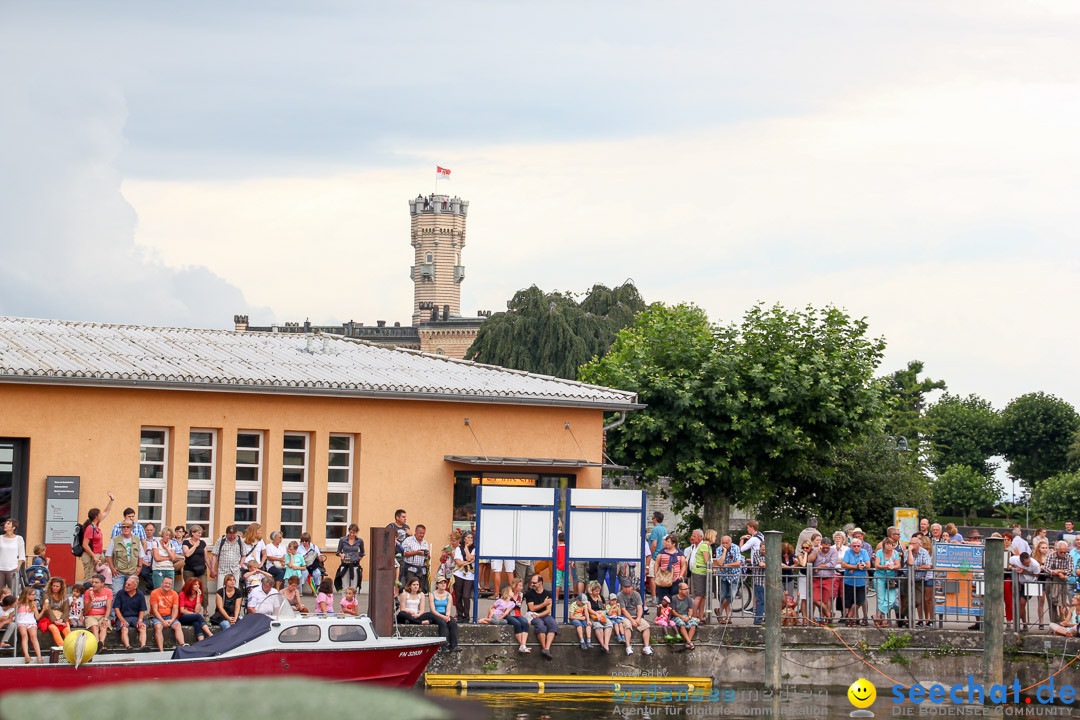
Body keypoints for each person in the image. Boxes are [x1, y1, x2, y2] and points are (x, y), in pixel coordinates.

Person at [79, 492, 115, 582]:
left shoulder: (96, 525)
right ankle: (87, 594)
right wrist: (94, 557)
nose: (101, 515)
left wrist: (111, 500)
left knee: (97, 575)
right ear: (96, 516)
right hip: (91, 555)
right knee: (90, 577)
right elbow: (85, 545)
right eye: (99, 514)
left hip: (98, 554)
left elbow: (106, 512)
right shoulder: (90, 528)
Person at [106, 519, 144, 595]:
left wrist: (139, 567)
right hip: (118, 572)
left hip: (133, 571)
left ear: (131, 528)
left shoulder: (137, 540)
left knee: (132, 593)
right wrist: (112, 568)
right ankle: (115, 607)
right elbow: (108, 555)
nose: (126, 529)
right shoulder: (114, 540)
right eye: (124, 527)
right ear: (121, 528)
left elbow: (141, 555)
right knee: (116, 593)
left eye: (128, 527)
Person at [618, 577, 653, 655]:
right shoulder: (620, 595)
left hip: (636, 615)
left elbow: (640, 607)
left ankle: (646, 646)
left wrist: (639, 618)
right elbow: (623, 610)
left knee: (646, 626)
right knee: (627, 626)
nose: (627, 589)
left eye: (628, 587)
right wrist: (632, 620)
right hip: (625, 616)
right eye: (625, 587)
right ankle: (628, 646)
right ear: (622, 587)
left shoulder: (636, 594)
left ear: (632, 587)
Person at [525, 575, 558, 659]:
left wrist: (539, 615)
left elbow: (548, 610)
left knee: (553, 624)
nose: (532, 584)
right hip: (532, 615)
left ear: (540, 583)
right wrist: (544, 604)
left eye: (534, 583)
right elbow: (531, 608)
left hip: (543, 614)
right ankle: (544, 647)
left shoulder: (548, 594)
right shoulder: (529, 593)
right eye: (531, 582)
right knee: (540, 625)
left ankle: (547, 648)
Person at [841, 538, 871, 626]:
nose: (856, 548)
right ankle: (851, 619)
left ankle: (849, 616)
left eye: (858, 546)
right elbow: (843, 564)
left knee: (859, 601)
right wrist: (855, 567)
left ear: (861, 546)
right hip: (849, 581)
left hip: (861, 582)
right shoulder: (848, 552)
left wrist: (853, 567)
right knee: (849, 602)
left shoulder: (864, 552)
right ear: (851, 546)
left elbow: (868, 565)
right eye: (854, 546)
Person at [149, 575, 185, 650]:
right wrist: (163, 621)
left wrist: (171, 620)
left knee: (178, 625)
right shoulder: (154, 593)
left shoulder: (174, 593)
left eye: (169, 584)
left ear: (172, 585)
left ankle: (182, 645)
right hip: (157, 617)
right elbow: (155, 611)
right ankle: (161, 650)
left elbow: (175, 610)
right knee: (158, 627)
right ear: (161, 583)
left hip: (169, 616)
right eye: (165, 583)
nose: (167, 585)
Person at [1044, 541, 1074, 627]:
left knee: (1063, 603)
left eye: (1065, 552)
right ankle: (1053, 624)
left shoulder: (1069, 557)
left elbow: (1070, 570)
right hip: (1051, 580)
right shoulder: (1051, 556)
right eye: (1061, 552)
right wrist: (1056, 572)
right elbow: (1046, 568)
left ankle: (1063, 623)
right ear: (1057, 550)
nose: (1063, 553)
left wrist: (1059, 571)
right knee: (1051, 604)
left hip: (1063, 581)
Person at [873, 537, 902, 626]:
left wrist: (893, 567)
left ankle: (877, 615)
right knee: (881, 599)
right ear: (884, 545)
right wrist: (885, 567)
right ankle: (882, 620)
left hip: (890, 578)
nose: (889, 546)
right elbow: (877, 565)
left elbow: (898, 565)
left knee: (890, 599)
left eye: (890, 544)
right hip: (880, 576)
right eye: (887, 544)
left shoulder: (895, 553)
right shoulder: (879, 552)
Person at [426, 576, 460, 651]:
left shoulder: (448, 595)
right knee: (442, 623)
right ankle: (443, 646)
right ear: (437, 585)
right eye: (441, 583)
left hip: (444, 613)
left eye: (444, 583)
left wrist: (447, 616)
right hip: (434, 614)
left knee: (453, 623)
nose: (443, 585)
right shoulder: (432, 595)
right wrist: (443, 617)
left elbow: (448, 608)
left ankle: (454, 645)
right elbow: (433, 610)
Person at [113, 575, 147, 650]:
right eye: (126, 584)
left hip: (135, 617)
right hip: (123, 617)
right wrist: (122, 620)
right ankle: (128, 646)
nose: (126, 586)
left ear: (135, 586)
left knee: (142, 627)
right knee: (124, 628)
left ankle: (143, 646)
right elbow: (116, 608)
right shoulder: (120, 593)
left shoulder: (140, 594)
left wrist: (140, 620)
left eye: (129, 585)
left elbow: (142, 609)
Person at [809, 533, 836, 623]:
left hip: (827, 578)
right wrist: (817, 551)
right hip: (816, 578)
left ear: (830, 546)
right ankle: (829, 614)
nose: (825, 549)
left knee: (825, 600)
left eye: (827, 548)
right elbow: (809, 560)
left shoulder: (833, 551)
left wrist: (820, 566)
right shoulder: (816, 550)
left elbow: (832, 564)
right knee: (815, 599)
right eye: (823, 547)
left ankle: (823, 619)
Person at [907, 535, 934, 627]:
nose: (911, 545)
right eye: (911, 543)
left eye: (914, 543)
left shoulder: (925, 552)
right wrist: (910, 551)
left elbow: (928, 565)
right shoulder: (908, 552)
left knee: (928, 599)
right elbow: (909, 564)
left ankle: (930, 619)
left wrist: (917, 568)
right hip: (915, 579)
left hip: (927, 577)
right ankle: (920, 619)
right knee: (918, 600)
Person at [714, 534, 741, 624]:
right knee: (723, 596)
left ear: (730, 542)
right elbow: (719, 562)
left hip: (734, 575)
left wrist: (725, 565)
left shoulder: (735, 548)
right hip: (723, 576)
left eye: (726, 543)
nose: (725, 544)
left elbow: (738, 562)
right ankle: (728, 617)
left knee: (731, 596)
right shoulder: (719, 549)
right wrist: (724, 552)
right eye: (723, 543)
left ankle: (719, 611)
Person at [1010, 551, 1041, 628]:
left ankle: (1018, 623)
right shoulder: (1014, 559)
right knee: (1018, 604)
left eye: (1029, 562)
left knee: (1022, 602)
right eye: (1026, 564)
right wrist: (1013, 567)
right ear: (1021, 561)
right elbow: (1008, 562)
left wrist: (1025, 571)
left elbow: (1037, 574)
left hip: (1030, 582)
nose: (1028, 564)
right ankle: (1024, 623)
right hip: (1020, 582)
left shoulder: (1035, 564)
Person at [210, 525, 245, 592]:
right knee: (220, 590)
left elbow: (243, 555)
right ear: (227, 534)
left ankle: (233, 602)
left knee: (234, 590)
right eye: (230, 535)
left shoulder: (240, 541)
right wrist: (212, 569)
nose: (232, 537)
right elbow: (215, 555)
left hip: (235, 570)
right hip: (222, 570)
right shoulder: (220, 540)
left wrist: (239, 566)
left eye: (234, 535)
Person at [652, 534, 685, 605]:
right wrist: (656, 574)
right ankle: (662, 613)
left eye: (668, 541)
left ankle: (673, 613)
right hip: (663, 578)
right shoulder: (661, 553)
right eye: (666, 541)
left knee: (674, 597)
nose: (666, 543)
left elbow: (683, 566)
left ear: (674, 544)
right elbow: (657, 563)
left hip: (676, 578)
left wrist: (681, 575)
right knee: (662, 597)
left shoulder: (680, 554)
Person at [182, 525, 210, 609]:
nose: (200, 535)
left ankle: (205, 610)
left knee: (204, 589)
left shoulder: (203, 543)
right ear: (193, 533)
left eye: (201, 533)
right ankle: (189, 608)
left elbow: (206, 557)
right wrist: (195, 546)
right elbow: (187, 554)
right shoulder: (186, 543)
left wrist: (212, 569)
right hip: (189, 570)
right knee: (189, 589)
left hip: (201, 569)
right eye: (198, 533)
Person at [38, 577, 70, 646]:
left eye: (57, 586)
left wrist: (61, 620)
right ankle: (62, 648)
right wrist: (55, 620)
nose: (55, 588)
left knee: (67, 630)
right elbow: (48, 610)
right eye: (53, 586)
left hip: (61, 618)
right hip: (49, 618)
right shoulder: (47, 595)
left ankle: (71, 647)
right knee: (54, 629)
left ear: (61, 587)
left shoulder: (64, 597)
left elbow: (66, 610)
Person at [83, 573, 113, 647]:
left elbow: (109, 607)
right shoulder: (88, 592)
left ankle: (101, 643)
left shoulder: (108, 591)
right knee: (94, 626)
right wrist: (90, 599)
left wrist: (105, 619)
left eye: (96, 582)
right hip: (91, 615)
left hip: (103, 615)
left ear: (102, 584)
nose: (93, 584)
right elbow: (86, 611)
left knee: (104, 626)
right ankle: (97, 644)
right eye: (92, 582)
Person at [15, 587, 43, 663]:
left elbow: (37, 617)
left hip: (31, 622)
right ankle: (27, 655)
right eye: (33, 594)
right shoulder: (18, 603)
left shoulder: (34, 603)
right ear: (27, 595)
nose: (34, 596)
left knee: (34, 637)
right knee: (24, 636)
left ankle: (39, 657)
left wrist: (43, 610)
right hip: (21, 622)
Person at [453, 531, 476, 621]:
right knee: (458, 595)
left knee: (466, 595)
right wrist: (467, 562)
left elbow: (470, 558)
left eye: (471, 538)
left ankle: (466, 616)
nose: (470, 539)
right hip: (459, 574)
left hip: (469, 575)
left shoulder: (474, 549)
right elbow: (458, 563)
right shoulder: (459, 548)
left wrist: (466, 547)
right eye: (468, 537)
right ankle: (460, 614)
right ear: (464, 539)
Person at [504, 577, 531, 653]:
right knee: (517, 624)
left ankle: (523, 645)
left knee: (525, 623)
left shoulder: (521, 595)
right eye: (520, 586)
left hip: (517, 613)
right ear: (515, 585)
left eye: (521, 586)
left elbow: (519, 607)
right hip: (508, 614)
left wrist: (522, 617)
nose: (521, 588)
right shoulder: (508, 592)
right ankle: (522, 644)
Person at [0, 517, 26, 594]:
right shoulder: (0, 538)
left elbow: (22, 555)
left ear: (13, 527)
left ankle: (13, 605)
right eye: (5, 523)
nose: (5, 525)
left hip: (12, 568)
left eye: (8, 524)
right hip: (0, 568)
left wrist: (17, 567)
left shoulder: (18, 539)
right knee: (1, 592)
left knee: (14, 591)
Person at [335, 524, 364, 591]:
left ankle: (354, 601)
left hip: (354, 564)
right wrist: (341, 555)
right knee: (345, 586)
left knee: (354, 587)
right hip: (345, 563)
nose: (352, 535)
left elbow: (362, 552)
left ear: (356, 533)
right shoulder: (343, 540)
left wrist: (358, 559)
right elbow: (338, 551)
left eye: (354, 533)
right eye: (350, 532)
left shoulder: (359, 541)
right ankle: (344, 601)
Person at [586, 581, 614, 653]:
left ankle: (606, 644)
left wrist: (601, 613)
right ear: (591, 590)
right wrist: (596, 614)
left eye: (599, 591)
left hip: (602, 615)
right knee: (598, 626)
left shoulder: (600, 597)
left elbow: (604, 607)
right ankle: (603, 645)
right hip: (592, 615)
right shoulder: (588, 597)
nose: (597, 593)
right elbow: (589, 609)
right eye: (596, 591)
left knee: (609, 624)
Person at [670, 581, 698, 649]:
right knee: (682, 624)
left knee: (693, 625)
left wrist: (689, 617)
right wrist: (681, 617)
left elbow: (691, 610)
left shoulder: (689, 599)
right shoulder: (674, 598)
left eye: (687, 589)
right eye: (685, 589)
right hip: (677, 616)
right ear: (679, 590)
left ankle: (688, 642)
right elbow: (673, 611)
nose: (687, 591)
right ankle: (689, 642)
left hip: (686, 615)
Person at [646, 511, 668, 599]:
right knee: (660, 576)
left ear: (655, 519)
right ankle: (661, 596)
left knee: (651, 577)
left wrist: (649, 555)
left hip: (654, 556)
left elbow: (654, 544)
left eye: (652, 518)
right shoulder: (665, 530)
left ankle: (654, 597)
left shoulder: (655, 529)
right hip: (662, 556)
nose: (652, 519)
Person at [750, 538, 766, 624]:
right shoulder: (756, 553)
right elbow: (761, 564)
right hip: (759, 580)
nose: (763, 551)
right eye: (762, 549)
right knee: (760, 600)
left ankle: (767, 618)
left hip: (768, 581)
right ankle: (758, 619)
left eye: (765, 550)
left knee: (768, 600)